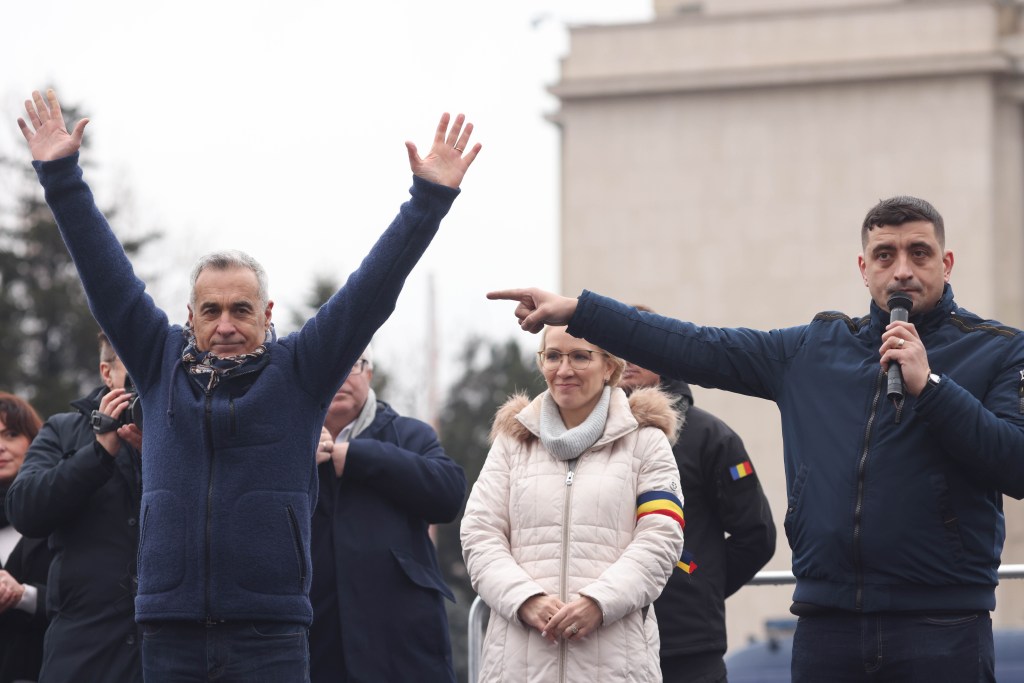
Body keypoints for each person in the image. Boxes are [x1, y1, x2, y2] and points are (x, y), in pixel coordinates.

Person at [17, 88, 481, 683]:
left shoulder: (301, 371)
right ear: (190, 317)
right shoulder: (157, 363)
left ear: (268, 314)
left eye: (241, 309)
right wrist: (61, 178)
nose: (226, 325)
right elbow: (106, 279)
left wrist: (428, 200)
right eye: (211, 311)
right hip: (168, 636)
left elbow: (370, 293)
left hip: (271, 639)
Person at [488, 196, 1024, 682]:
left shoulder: (1000, 351)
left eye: (919, 253)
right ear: (864, 269)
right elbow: (696, 345)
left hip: (943, 625)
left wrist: (931, 387)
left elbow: (1015, 464)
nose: (902, 269)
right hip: (827, 626)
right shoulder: (813, 350)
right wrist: (580, 313)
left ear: (946, 263)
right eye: (885, 255)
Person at [461, 325, 685, 683]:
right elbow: (478, 534)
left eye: (580, 357)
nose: (563, 370)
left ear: (609, 367)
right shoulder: (511, 442)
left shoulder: (646, 442)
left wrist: (599, 603)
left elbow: (661, 538)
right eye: (553, 356)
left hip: (617, 667)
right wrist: (526, 599)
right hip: (515, 668)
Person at [617, 308, 776, 683]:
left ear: (662, 351)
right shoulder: (585, 437)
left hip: (686, 646)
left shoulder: (710, 437)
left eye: (637, 346)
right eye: (616, 347)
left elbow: (756, 536)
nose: (626, 359)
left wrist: (698, 582)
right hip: (605, 644)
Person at [308, 345, 466, 683]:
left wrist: (358, 457)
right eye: (331, 363)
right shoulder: (289, 441)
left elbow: (449, 495)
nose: (341, 376)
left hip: (402, 644)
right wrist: (300, 459)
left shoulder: (408, 434)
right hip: (317, 645)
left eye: (353, 364)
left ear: (369, 373)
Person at [5, 333, 144, 682]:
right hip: (83, 653)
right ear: (107, 373)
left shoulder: (182, 435)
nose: (146, 380)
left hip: (165, 652)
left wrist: (156, 458)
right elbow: (24, 509)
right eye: (134, 369)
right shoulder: (63, 430)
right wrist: (99, 452)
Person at [0, 393, 50, 683]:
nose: (1, 447)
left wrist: (23, 596)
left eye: (11, 434)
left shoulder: (60, 513)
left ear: (35, 441)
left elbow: (86, 600)